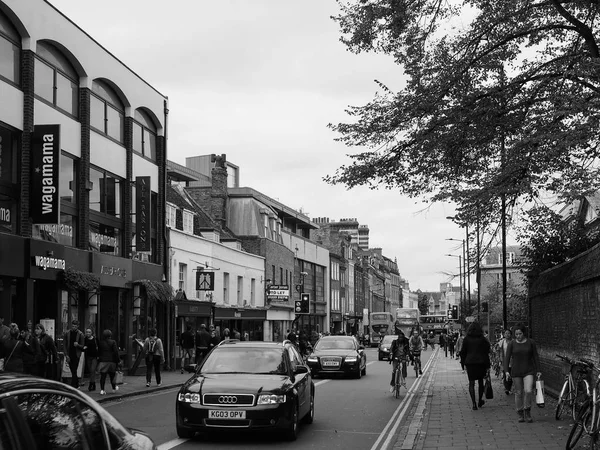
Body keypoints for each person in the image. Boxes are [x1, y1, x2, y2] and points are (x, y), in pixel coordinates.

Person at [503, 324, 541, 423]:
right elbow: (507, 358)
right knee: (518, 392)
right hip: (516, 371)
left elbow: (535, 357)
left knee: (528, 391)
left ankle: (527, 410)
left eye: (520, 334)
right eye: (516, 334)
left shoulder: (531, 343)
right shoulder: (512, 344)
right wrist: (506, 371)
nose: (518, 336)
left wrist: (538, 370)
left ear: (524, 333)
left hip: (528, 370)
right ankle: (520, 412)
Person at [459, 321, 491, 410]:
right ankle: (480, 400)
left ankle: (474, 404)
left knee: (471, 383)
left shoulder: (466, 339)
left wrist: (463, 364)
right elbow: (487, 351)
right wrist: (488, 365)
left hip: (470, 363)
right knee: (481, 382)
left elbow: (463, 352)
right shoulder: (482, 339)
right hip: (481, 363)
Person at [97, 329, 120, 395]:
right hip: (111, 361)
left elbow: (99, 352)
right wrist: (118, 360)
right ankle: (113, 388)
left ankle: (102, 390)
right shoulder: (113, 342)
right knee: (112, 375)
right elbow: (116, 352)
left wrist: (99, 359)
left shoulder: (101, 343)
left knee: (103, 376)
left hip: (103, 361)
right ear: (110, 335)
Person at [63, 320, 84, 388]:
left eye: (75, 326)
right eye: (72, 326)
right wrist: (66, 354)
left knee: (74, 369)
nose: (73, 327)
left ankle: (73, 385)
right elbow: (65, 344)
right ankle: (76, 384)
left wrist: (78, 345)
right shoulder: (67, 333)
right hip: (69, 354)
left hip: (76, 354)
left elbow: (83, 346)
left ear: (78, 326)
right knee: (72, 369)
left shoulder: (80, 334)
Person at [497, 329, 513, 395]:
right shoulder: (502, 342)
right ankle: (507, 388)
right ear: (504, 335)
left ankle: (509, 387)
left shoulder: (513, 342)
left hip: (512, 361)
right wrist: (499, 358)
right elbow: (498, 350)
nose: (507, 334)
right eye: (506, 333)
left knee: (511, 374)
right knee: (505, 373)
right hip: (504, 360)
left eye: (508, 333)